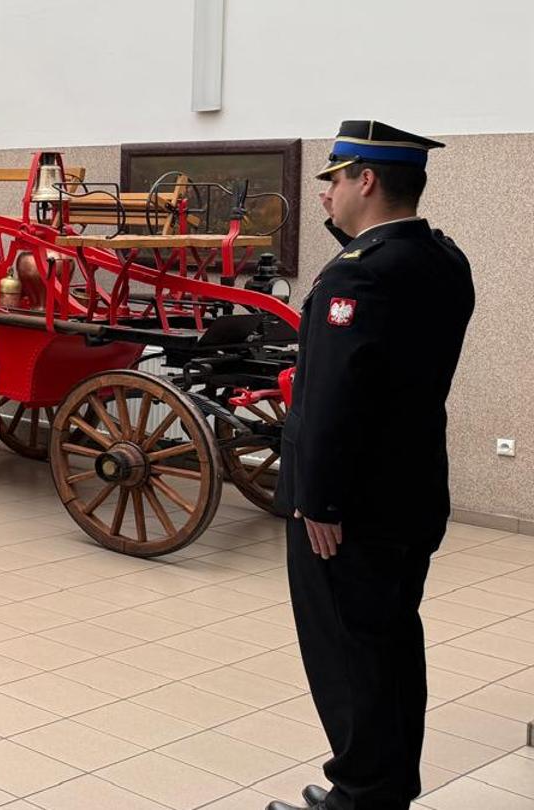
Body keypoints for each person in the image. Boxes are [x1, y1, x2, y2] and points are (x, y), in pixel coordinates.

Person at [265, 121, 474, 810]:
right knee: (389, 647)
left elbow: (332, 397)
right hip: (409, 494)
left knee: (349, 656)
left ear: (367, 180)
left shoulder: (360, 274)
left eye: (333, 178)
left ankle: (361, 795)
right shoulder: (442, 259)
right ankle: (382, 785)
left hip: (349, 511)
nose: (324, 192)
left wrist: (319, 500)